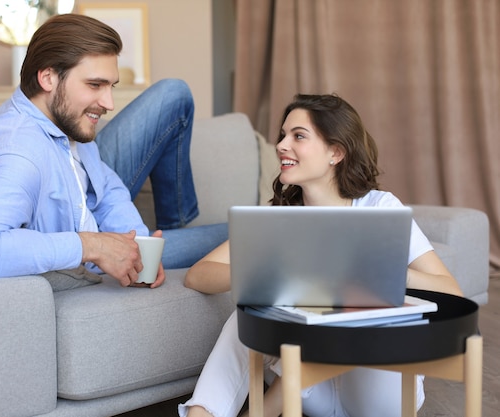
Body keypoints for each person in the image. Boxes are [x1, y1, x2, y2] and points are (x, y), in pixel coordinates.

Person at [179, 94, 463, 417]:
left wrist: (392, 272)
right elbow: (198, 274)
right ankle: (201, 414)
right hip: (314, 395)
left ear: (336, 152)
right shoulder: (280, 219)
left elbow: (451, 290)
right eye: (283, 135)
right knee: (246, 317)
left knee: (346, 314)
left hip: (378, 392)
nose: (282, 145)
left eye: (298, 136)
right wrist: (264, 275)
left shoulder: (379, 209)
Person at [0, 13, 227, 285]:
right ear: (48, 78)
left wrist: (139, 245)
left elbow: (107, 187)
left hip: (107, 240)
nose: (109, 103)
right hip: (92, 259)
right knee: (247, 240)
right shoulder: (19, 156)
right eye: (95, 85)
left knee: (243, 234)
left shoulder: (64, 124)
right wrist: (92, 245)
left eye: (110, 87)